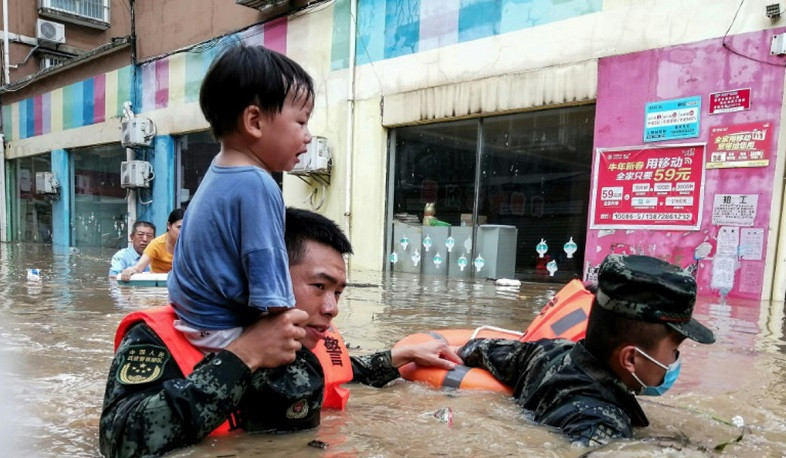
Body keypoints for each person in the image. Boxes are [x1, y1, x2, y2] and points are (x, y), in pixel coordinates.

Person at [100, 208, 460, 457]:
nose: (332, 307)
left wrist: (401, 356)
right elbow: (120, 441)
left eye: (339, 292)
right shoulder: (161, 337)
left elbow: (345, 372)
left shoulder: (305, 337)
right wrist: (244, 356)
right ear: (263, 274)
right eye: (320, 286)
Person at [458, 254, 715, 446]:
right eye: (674, 350)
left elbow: (476, 348)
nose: (675, 361)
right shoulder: (601, 426)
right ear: (630, 358)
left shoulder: (547, 351)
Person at [167, 43, 314, 354]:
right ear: (255, 122)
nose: (308, 135)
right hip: (223, 330)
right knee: (305, 359)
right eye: (301, 121)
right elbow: (269, 279)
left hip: (193, 320)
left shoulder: (219, 172)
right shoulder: (258, 183)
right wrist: (295, 323)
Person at [120, 209, 183, 280]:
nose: (183, 231)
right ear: (169, 226)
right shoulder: (156, 244)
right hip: (158, 285)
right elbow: (139, 267)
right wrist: (130, 271)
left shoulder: (192, 244)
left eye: (186, 227)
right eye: (179, 227)